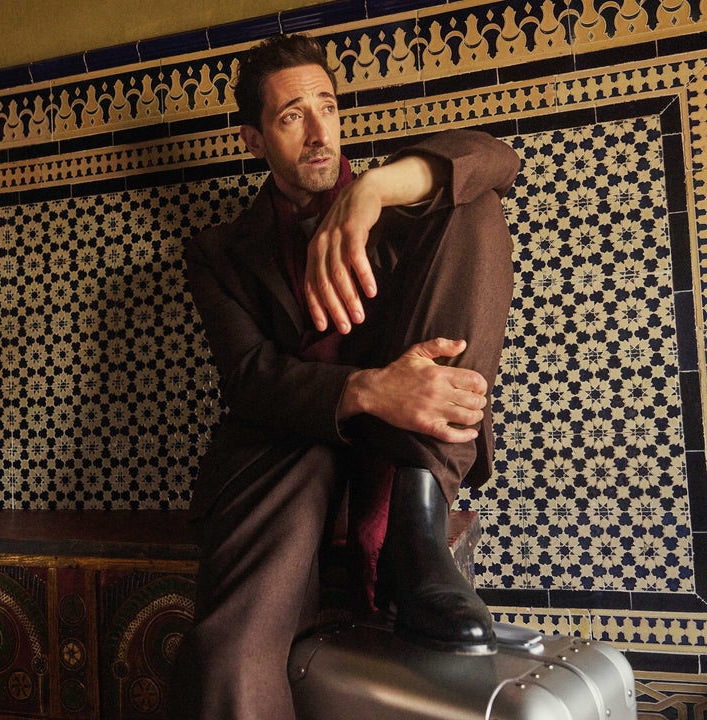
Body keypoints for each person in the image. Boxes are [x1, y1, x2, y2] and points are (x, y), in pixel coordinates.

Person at [172, 33, 520, 720]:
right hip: (286, 443)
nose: (317, 131)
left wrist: (375, 190)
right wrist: (366, 389)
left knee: (474, 204)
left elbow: (496, 158)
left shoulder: (399, 205)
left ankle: (416, 529)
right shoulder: (217, 252)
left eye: (326, 107)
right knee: (232, 649)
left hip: (405, 446)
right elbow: (249, 377)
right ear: (253, 140)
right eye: (290, 115)